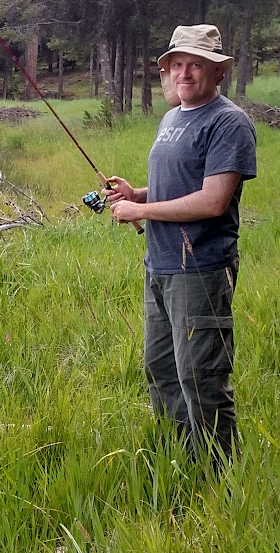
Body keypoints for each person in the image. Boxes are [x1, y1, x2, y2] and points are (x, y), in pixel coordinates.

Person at [105, 25, 258, 466]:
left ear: (217, 71)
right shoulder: (173, 117)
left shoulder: (229, 123)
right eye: (178, 65)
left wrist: (140, 213)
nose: (185, 73)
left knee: (201, 376)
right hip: (162, 263)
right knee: (160, 367)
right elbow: (178, 185)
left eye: (196, 64)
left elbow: (213, 201)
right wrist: (139, 196)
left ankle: (216, 474)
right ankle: (180, 457)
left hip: (201, 268)